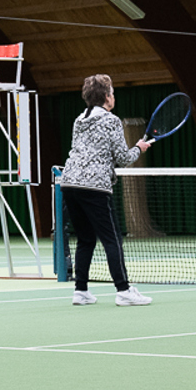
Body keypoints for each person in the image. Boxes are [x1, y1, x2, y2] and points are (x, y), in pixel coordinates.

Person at [65, 75, 153, 306]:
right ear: (106, 97)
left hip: (69, 184)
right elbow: (123, 158)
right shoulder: (111, 120)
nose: (114, 96)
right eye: (112, 92)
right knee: (112, 239)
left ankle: (80, 291)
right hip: (94, 187)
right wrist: (139, 148)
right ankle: (123, 291)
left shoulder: (78, 120)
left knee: (85, 239)